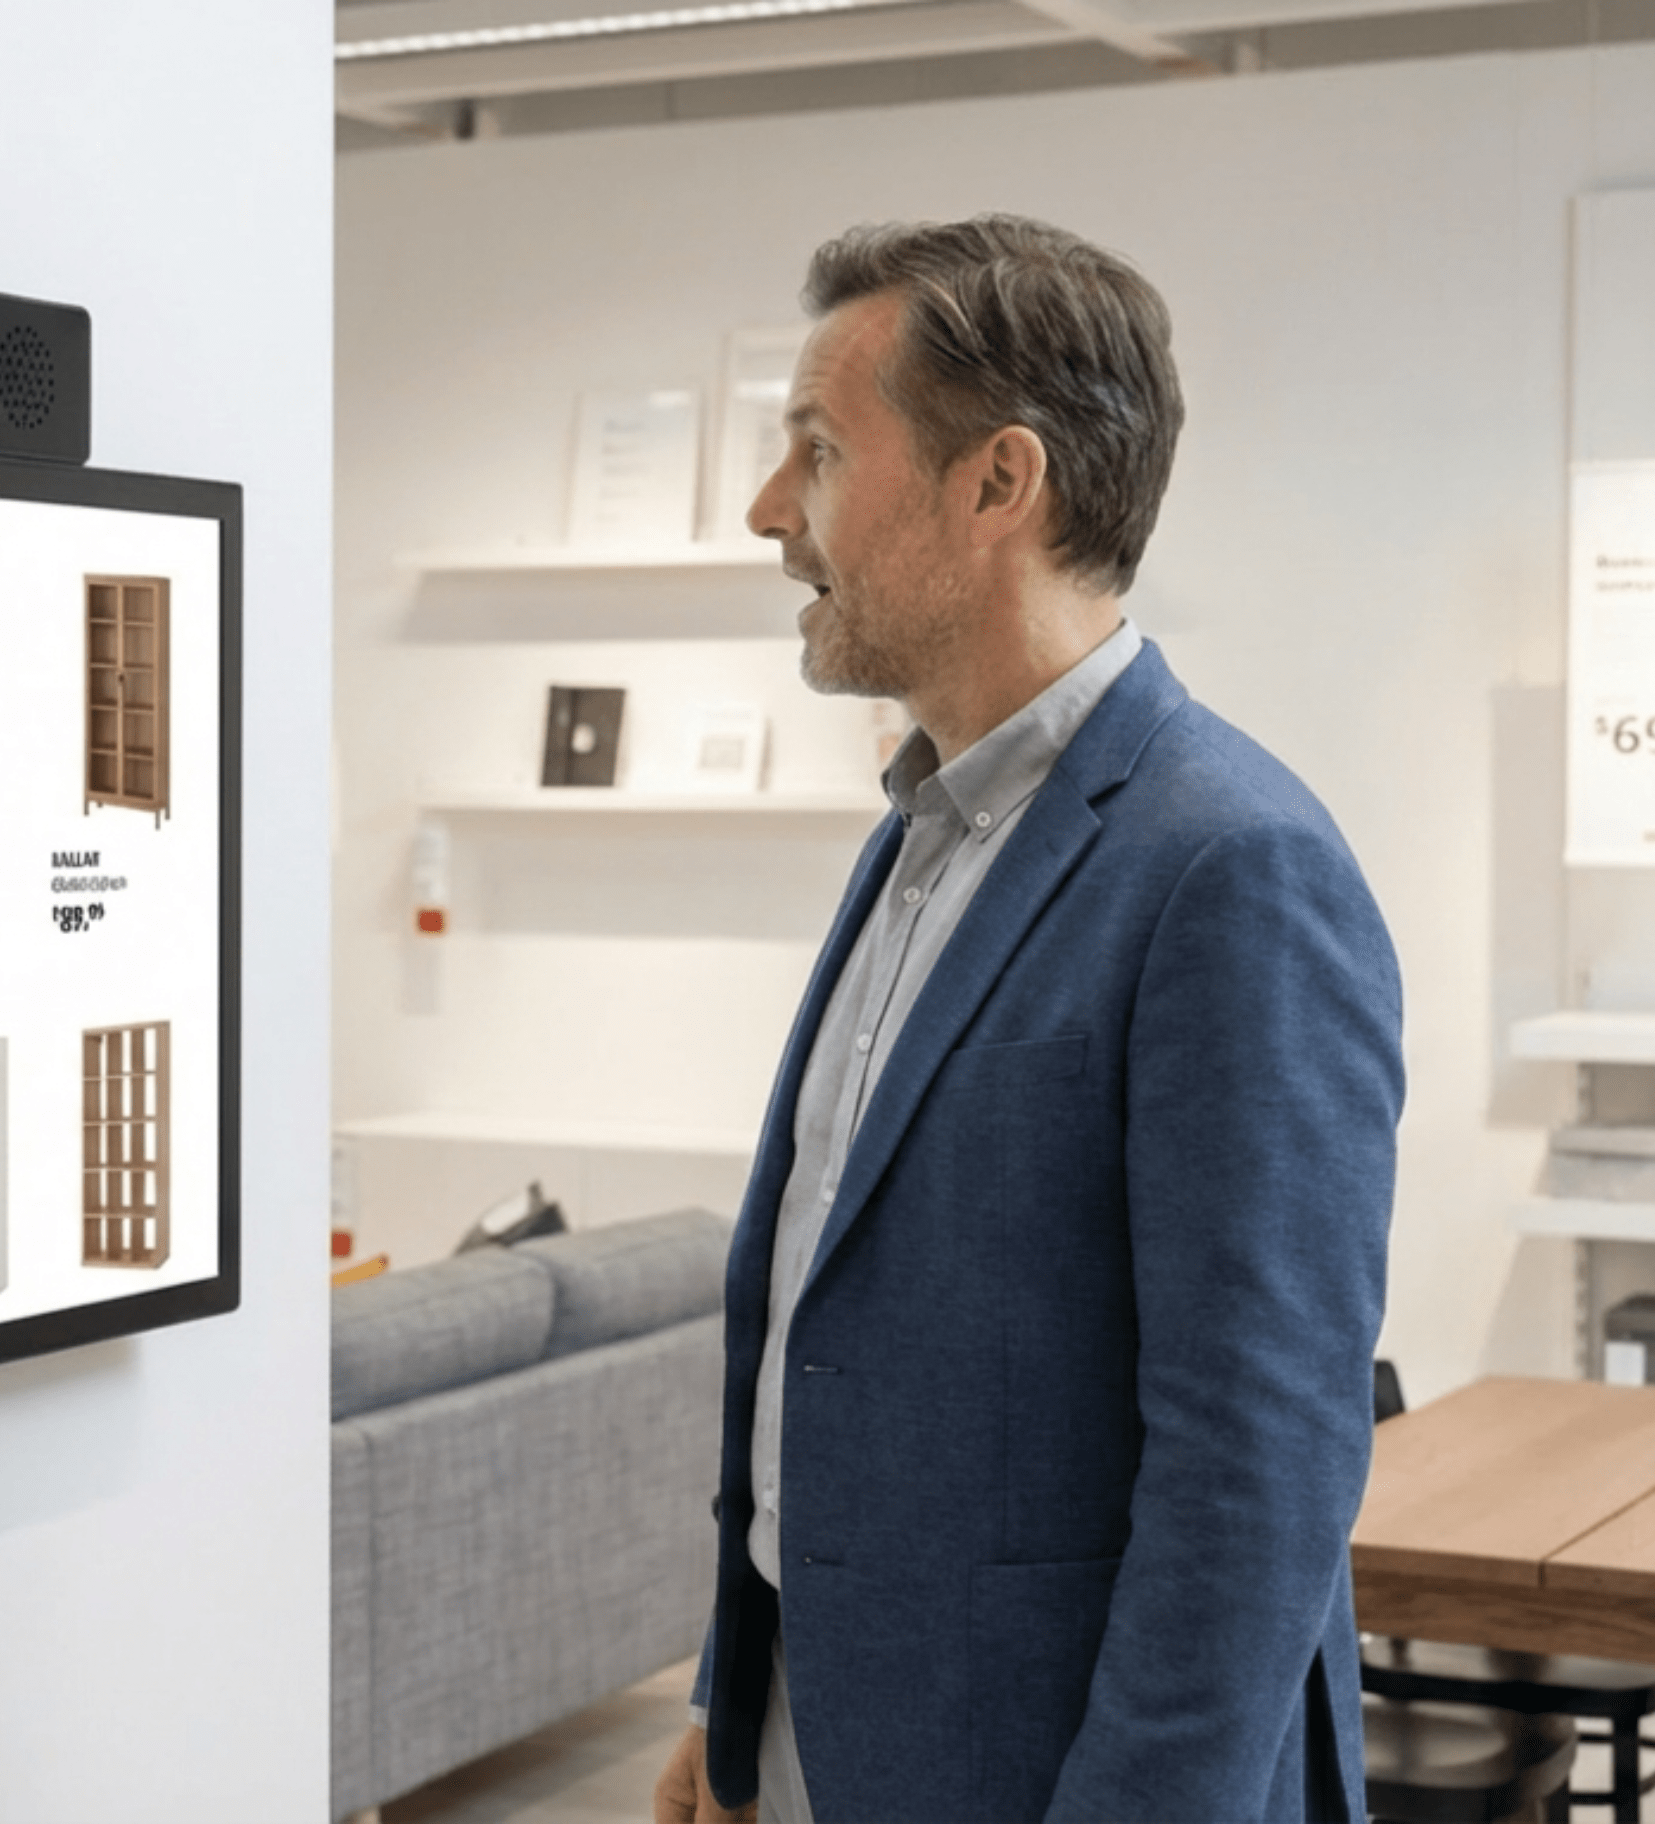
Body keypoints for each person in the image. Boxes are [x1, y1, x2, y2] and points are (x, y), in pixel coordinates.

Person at [649, 216, 1402, 1822]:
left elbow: (1255, 1472)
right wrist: (738, 1702)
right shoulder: (920, 834)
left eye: (818, 452)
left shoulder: (1233, 867)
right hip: (830, 1732)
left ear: (1000, 483)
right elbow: (821, 1325)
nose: (771, 514)